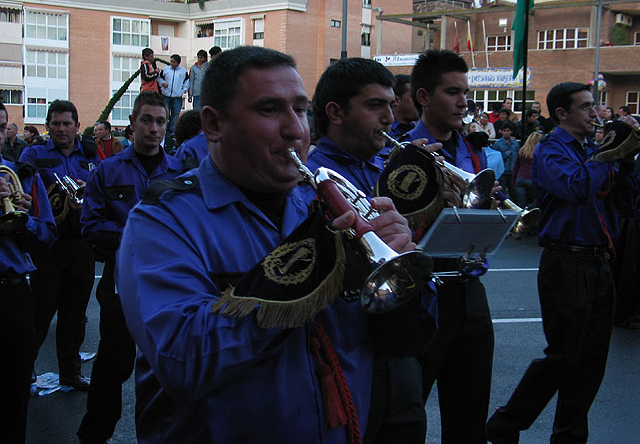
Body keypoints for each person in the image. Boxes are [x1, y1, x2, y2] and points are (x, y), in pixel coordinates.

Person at [116, 46, 415, 443]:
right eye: (270, 110)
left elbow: (408, 341)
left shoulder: (326, 203)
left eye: (301, 109)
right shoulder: (161, 220)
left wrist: (400, 268)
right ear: (214, 124)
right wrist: (316, 264)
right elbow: (182, 360)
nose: (297, 130)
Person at [307, 58, 438, 444]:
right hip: (356, 348)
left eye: (392, 105)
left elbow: (412, 245)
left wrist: (432, 199)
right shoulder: (316, 176)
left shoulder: (388, 165)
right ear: (335, 112)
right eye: (375, 106)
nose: (389, 117)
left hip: (403, 341)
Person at [486, 82, 619, 444]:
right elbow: (576, 187)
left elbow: (618, 196)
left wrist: (623, 157)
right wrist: (605, 157)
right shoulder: (551, 150)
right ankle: (506, 423)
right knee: (563, 356)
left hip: (598, 260)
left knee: (592, 360)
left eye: (596, 106)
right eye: (587, 107)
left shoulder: (589, 148)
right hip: (566, 261)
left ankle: (569, 435)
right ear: (562, 114)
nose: (596, 113)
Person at [77, 92, 183, 444]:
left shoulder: (181, 172)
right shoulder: (108, 170)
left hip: (168, 288)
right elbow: (90, 226)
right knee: (112, 365)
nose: (154, 129)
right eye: (147, 120)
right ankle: (94, 435)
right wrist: (140, 236)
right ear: (132, 124)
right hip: (121, 285)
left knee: (165, 370)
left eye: (161, 122)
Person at [407, 49, 496, 443]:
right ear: (423, 97)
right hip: (424, 293)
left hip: (469, 289)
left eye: (465, 93)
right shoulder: (401, 152)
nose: (463, 102)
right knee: (408, 413)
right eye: (452, 92)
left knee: (470, 413)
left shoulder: (471, 152)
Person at [20, 100, 100, 390]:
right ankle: (24, 368)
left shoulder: (91, 155)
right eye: (56, 124)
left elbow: (100, 193)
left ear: (77, 126)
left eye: (67, 123)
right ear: (47, 126)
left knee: (76, 312)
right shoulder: (33, 153)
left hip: (81, 245)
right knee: (40, 311)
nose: (62, 129)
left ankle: (70, 372)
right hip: (48, 247)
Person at [0, 102, 56, 443]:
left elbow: (47, 235)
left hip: (11, 295)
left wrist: (23, 220)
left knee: (13, 396)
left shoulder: (15, 175)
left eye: (0, 125)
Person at [158, 54, 189, 135]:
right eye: (171, 61)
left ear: (178, 63)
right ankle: (164, 130)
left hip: (177, 96)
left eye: (174, 62)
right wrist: (162, 83)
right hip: (166, 95)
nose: (172, 63)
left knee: (175, 114)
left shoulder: (183, 71)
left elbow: (187, 81)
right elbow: (159, 78)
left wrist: (183, 91)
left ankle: (172, 131)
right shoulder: (165, 69)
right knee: (165, 113)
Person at [511, 131, 543, 210]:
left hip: (520, 178)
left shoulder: (522, 151)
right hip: (533, 179)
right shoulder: (541, 152)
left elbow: (516, 166)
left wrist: (513, 181)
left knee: (520, 205)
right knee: (535, 203)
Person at [493, 123, 520, 198]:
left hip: (512, 170)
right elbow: (496, 158)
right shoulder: (497, 144)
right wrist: (506, 154)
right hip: (502, 171)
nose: (506, 132)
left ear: (511, 132)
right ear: (501, 132)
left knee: (513, 191)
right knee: (502, 191)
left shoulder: (516, 143)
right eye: (504, 131)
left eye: (508, 131)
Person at [389, 74, 420, 138]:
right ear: (396, 100)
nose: (420, 102)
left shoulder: (418, 130)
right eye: (414, 97)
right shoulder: (383, 131)